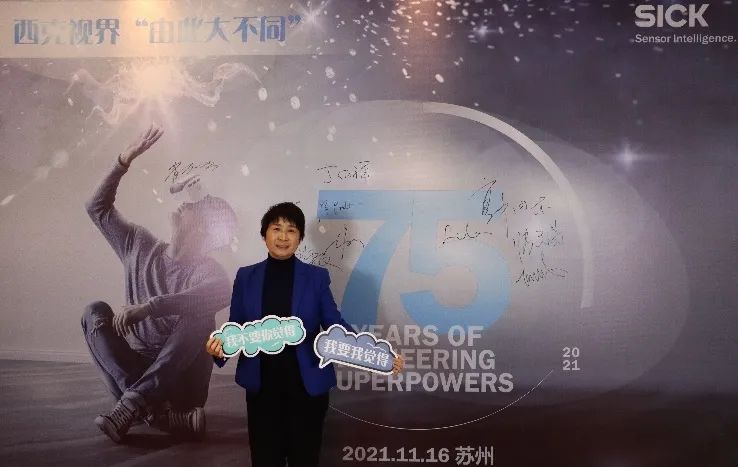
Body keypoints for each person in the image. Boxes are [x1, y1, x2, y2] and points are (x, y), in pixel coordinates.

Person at [206, 202, 403, 467]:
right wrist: (219, 349)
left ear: (299, 238)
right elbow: (236, 327)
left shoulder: (316, 277)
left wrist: (379, 356)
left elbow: (334, 324)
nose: (283, 236)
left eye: (291, 230)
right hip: (262, 391)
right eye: (276, 228)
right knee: (265, 460)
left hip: (307, 390)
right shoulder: (246, 277)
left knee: (305, 460)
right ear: (264, 234)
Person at [81, 124, 237, 443]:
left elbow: (221, 293)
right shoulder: (139, 245)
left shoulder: (209, 272)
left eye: (193, 207)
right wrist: (123, 160)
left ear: (204, 229)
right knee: (93, 311)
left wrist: (148, 309)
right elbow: (96, 208)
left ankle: (140, 407)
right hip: (133, 377)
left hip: (182, 387)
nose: (183, 204)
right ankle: (155, 413)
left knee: (202, 319)